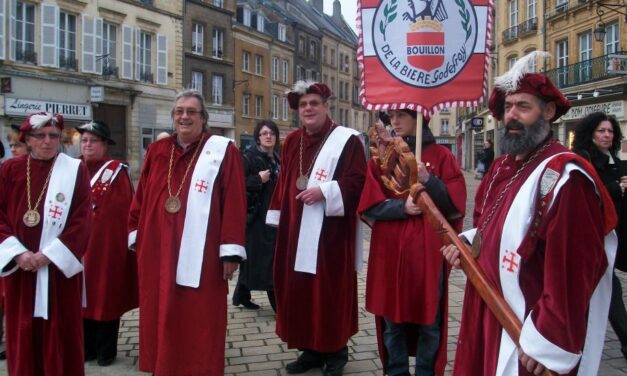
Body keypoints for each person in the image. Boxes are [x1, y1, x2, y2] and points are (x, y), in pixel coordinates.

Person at [441, 52, 618, 376]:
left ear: (548, 112)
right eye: (508, 107)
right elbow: (492, 223)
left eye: (523, 106)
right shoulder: (503, 166)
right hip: (487, 307)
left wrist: (550, 339)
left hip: (527, 330)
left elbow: (575, 267)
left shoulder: (567, 177)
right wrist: (469, 243)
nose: (512, 115)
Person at [128, 89, 247, 375]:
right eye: (179, 111)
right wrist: (135, 231)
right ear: (173, 117)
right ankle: (163, 364)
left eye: (191, 112)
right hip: (157, 247)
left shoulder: (222, 150)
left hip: (203, 250)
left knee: (199, 312)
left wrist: (230, 250)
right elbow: (141, 196)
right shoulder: (158, 151)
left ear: (203, 118)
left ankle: (198, 367)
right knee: (159, 308)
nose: (184, 117)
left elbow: (234, 200)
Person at [266, 81, 367, 376]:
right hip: (296, 231)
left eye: (313, 103)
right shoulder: (293, 140)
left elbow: (358, 182)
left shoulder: (347, 140)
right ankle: (310, 349)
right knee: (301, 291)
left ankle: (335, 352)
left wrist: (325, 191)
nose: (308, 108)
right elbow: (285, 181)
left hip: (330, 234)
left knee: (329, 292)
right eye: (303, 105)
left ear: (326, 106)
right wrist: (277, 218)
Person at [358, 109, 467, 376]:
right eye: (391, 116)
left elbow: (455, 208)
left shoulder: (442, 156)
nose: (394, 121)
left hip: (429, 254)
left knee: (429, 320)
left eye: (402, 115)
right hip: (390, 252)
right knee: (392, 318)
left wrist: (430, 180)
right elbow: (368, 206)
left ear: (420, 119)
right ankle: (396, 372)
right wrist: (401, 207)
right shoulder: (381, 158)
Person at [0, 112, 91, 375]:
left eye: (54, 136)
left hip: (58, 273)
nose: (48, 142)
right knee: (23, 332)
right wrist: (18, 254)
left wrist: (48, 256)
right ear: (28, 139)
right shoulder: (10, 170)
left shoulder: (75, 170)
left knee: (61, 334)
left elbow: (82, 219)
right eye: (40, 136)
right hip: (21, 272)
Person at [78, 120, 138, 367]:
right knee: (79, 298)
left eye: (93, 141)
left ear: (104, 145)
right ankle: (85, 348)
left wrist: (116, 250)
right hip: (76, 249)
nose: (88, 145)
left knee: (105, 298)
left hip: (105, 250)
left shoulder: (115, 172)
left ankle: (106, 350)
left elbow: (122, 214)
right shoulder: (72, 170)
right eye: (84, 141)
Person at [572, 112, 627, 361]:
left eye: (610, 131)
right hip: (593, 238)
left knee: (602, 288)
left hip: (616, 234)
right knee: (608, 287)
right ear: (590, 134)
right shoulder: (584, 161)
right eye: (601, 131)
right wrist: (617, 188)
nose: (606, 135)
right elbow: (587, 198)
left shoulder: (617, 161)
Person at [233, 120, 280, 311]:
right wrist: (257, 180)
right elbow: (237, 185)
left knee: (253, 258)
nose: (268, 136)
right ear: (258, 137)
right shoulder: (248, 157)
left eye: (271, 133)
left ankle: (241, 295)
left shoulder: (277, 158)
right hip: (255, 217)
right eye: (264, 133)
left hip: (273, 215)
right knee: (266, 258)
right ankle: (280, 306)